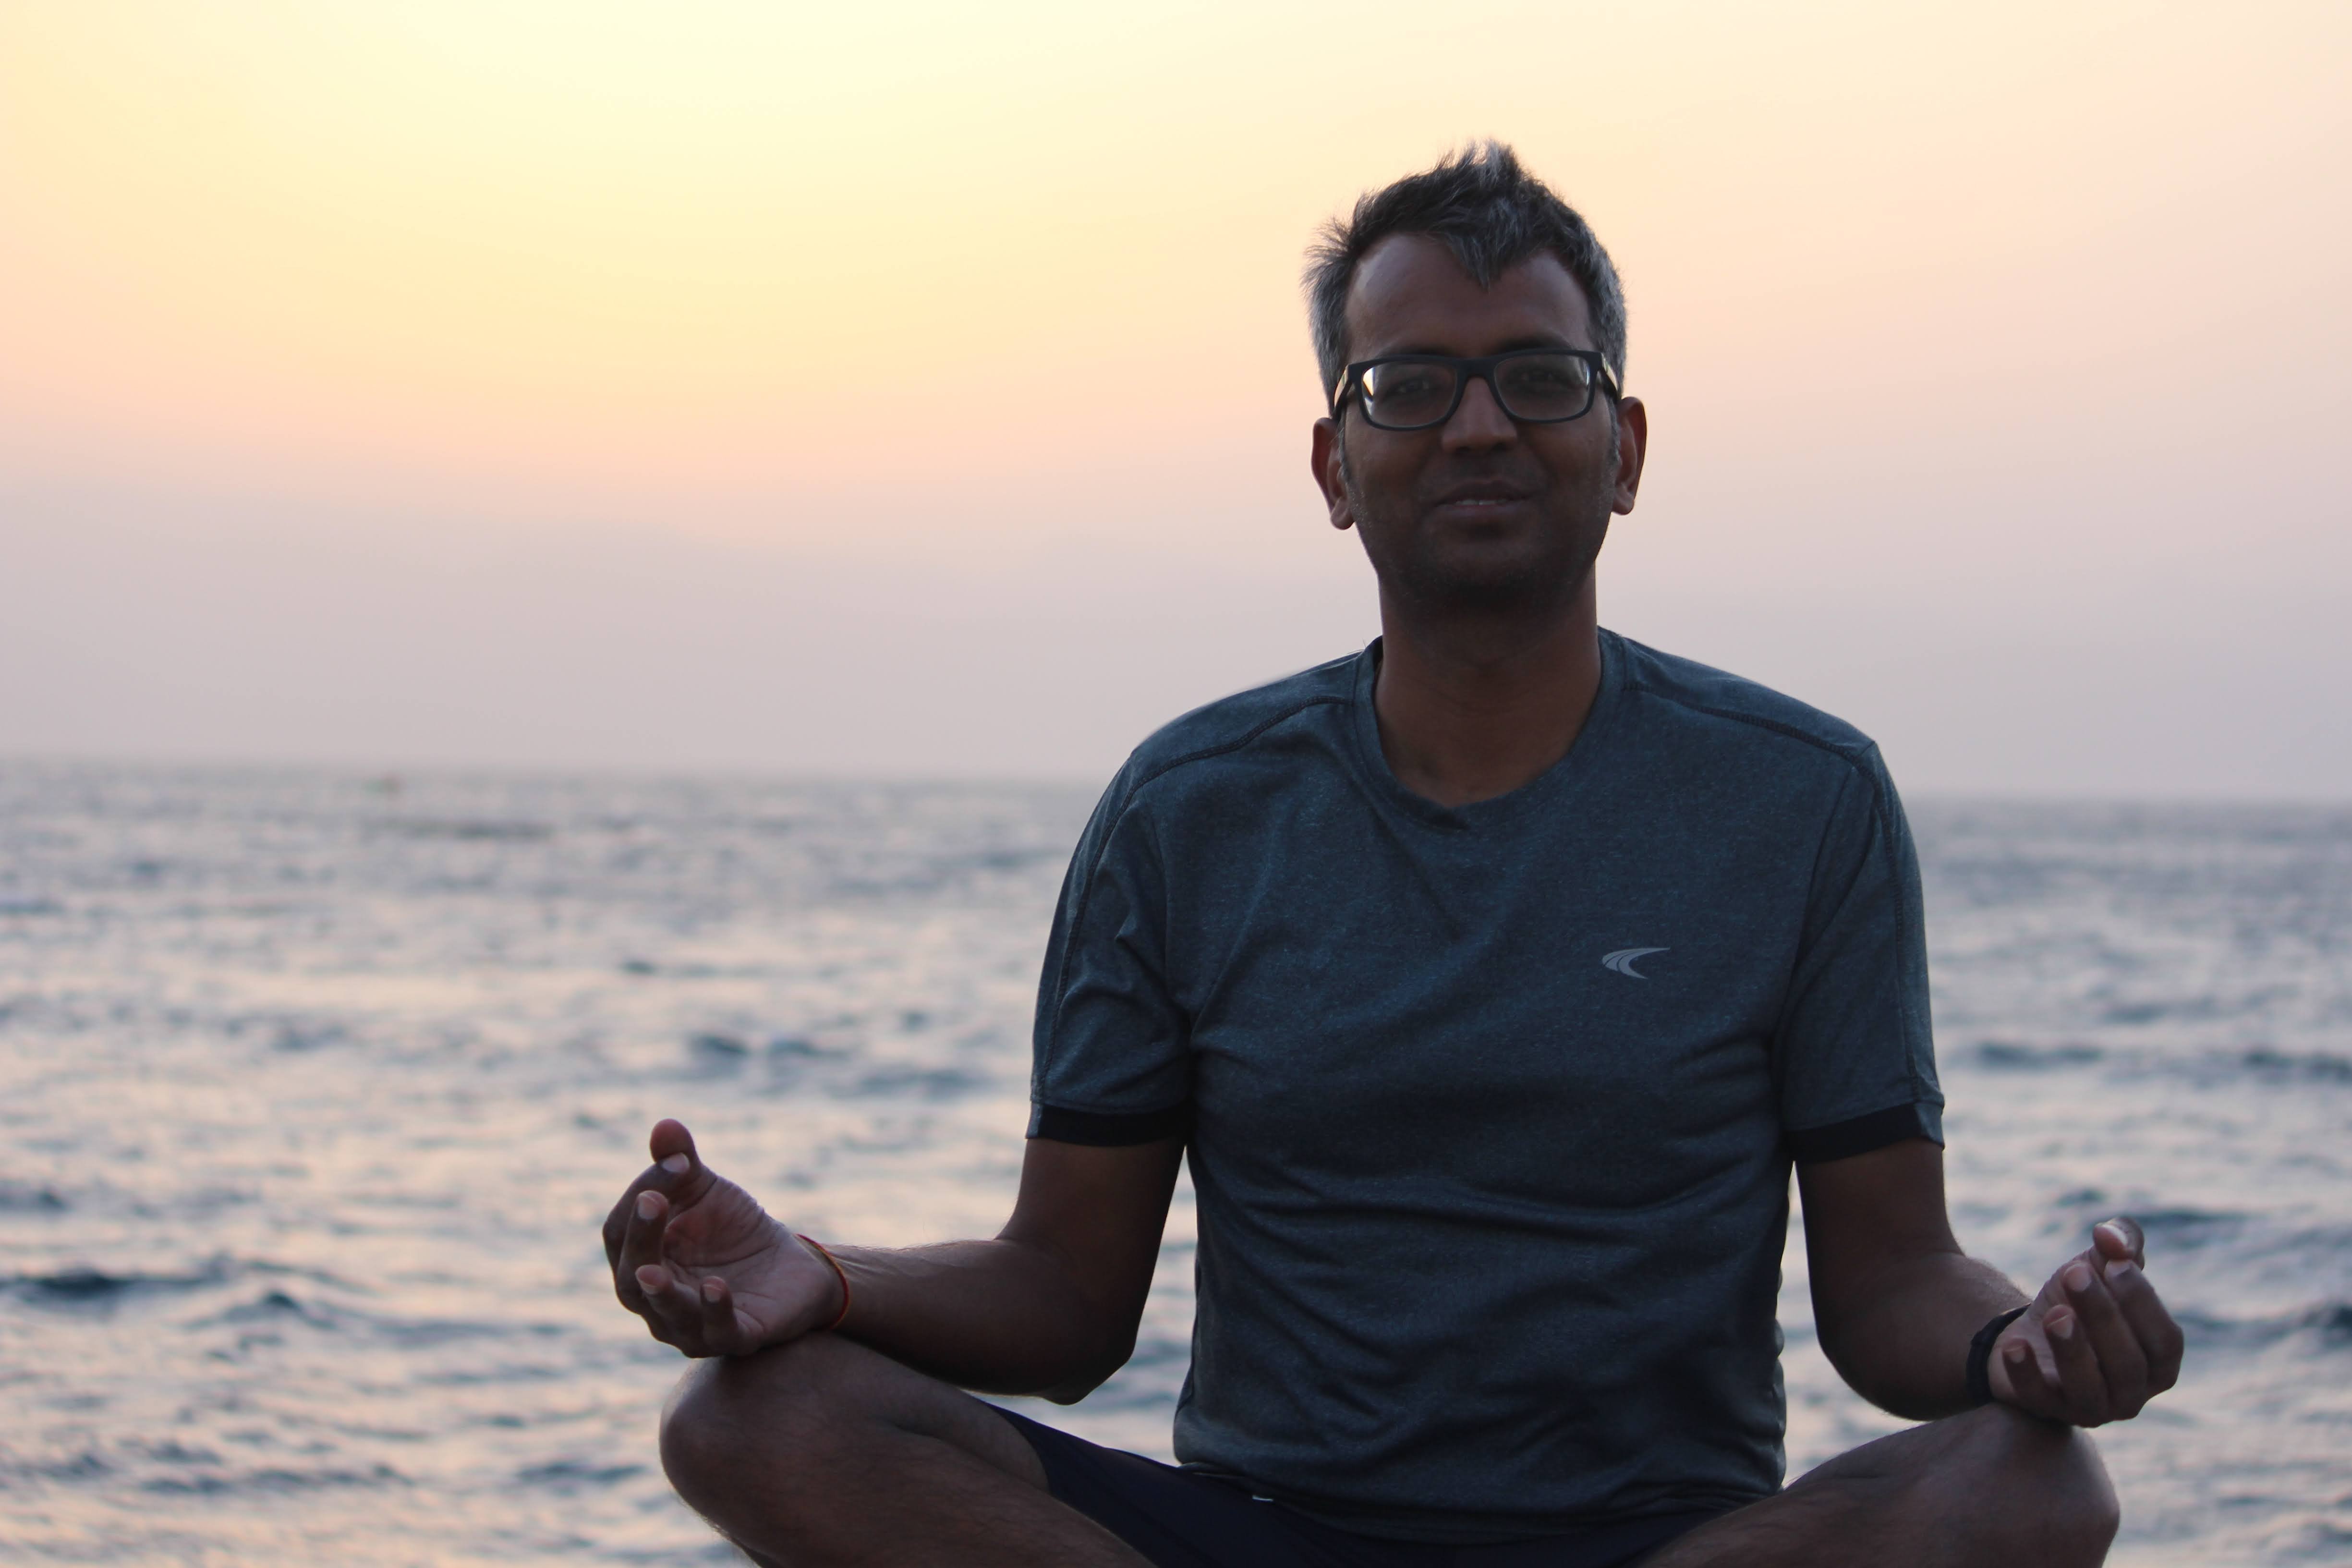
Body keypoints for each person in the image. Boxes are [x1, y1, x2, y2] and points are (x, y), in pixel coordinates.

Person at [603, 144, 2182, 1567]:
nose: (1480, 425)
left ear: (1622, 448)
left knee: (2032, 1488)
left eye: (1537, 380)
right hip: (1265, 1534)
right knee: (754, 1421)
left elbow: (1893, 1283)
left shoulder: (1801, 800)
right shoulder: (1190, 810)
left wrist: (2017, 1344)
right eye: (1408, 386)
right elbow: (1063, 1297)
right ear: (1333, 467)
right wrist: (817, 1273)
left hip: (1665, 1547)